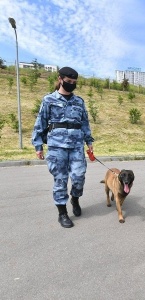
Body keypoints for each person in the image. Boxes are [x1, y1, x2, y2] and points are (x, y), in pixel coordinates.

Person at [32, 67, 94, 228]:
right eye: (68, 82)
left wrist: (89, 142)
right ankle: (62, 213)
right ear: (60, 79)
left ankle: (75, 198)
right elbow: (40, 123)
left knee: (79, 176)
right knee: (60, 179)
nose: (71, 84)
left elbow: (85, 123)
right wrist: (38, 145)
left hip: (76, 146)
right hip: (56, 146)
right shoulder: (49, 100)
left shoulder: (79, 101)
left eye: (74, 83)